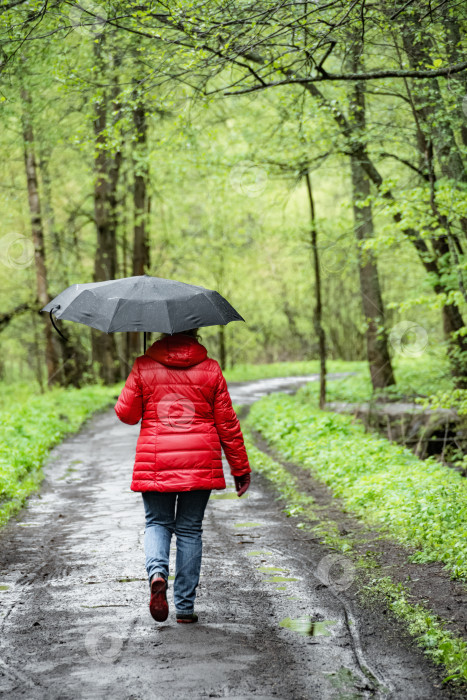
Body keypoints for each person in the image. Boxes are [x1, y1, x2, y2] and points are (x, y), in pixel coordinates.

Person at [114, 328, 251, 624]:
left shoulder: (144, 365)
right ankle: (185, 608)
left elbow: (126, 414)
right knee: (190, 530)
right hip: (200, 460)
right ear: (195, 332)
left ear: (164, 331)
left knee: (157, 522)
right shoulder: (211, 368)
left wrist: (141, 377)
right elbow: (227, 423)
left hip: (156, 461)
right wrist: (240, 467)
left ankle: (157, 574)